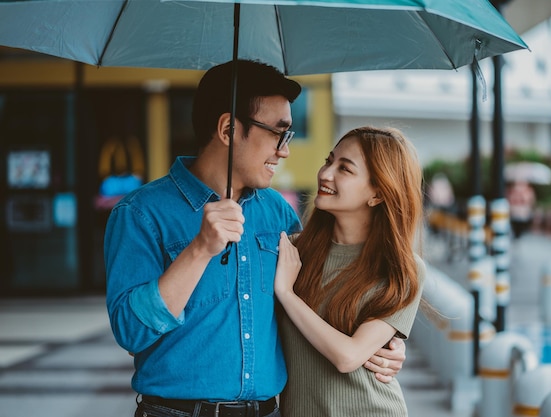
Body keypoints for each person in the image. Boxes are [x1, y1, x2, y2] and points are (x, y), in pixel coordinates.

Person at [104, 60, 404, 417]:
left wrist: (381, 340)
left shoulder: (277, 213)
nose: (285, 150)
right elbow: (131, 332)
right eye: (279, 132)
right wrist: (199, 250)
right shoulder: (141, 213)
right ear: (229, 129)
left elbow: (312, 301)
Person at [274, 126, 426, 416]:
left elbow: (348, 357)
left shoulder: (401, 269)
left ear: (378, 193)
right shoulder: (291, 253)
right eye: (329, 160)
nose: (325, 174)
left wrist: (286, 294)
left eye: (345, 169)